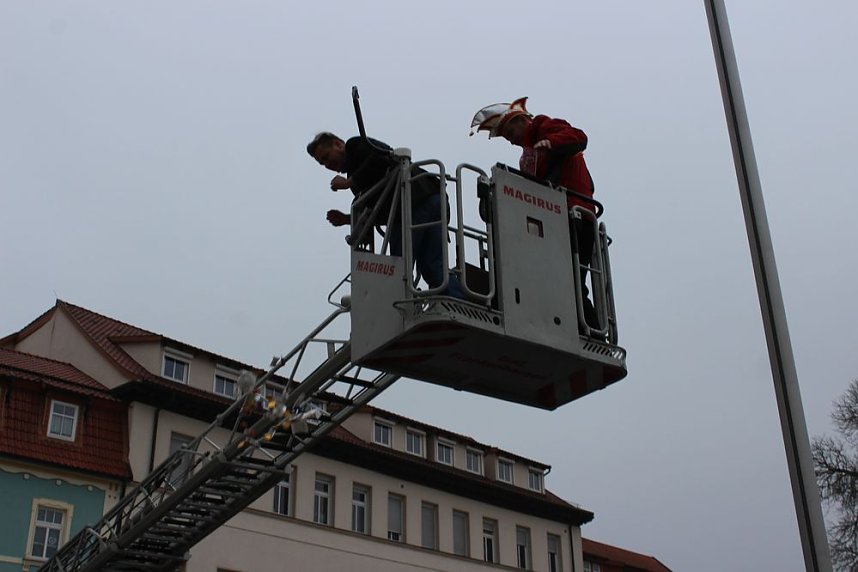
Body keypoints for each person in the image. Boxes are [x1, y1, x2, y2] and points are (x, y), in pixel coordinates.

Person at [470, 98, 601, 332]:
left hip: (574, 214)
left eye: (509, 132)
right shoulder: (528, 157)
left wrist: (551, 142)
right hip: (553, 221)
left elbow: (579, 137)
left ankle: (591, 332)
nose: (509, 140)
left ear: (521, 121)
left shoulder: (543, 126)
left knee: (573, 282)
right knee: (558, 280)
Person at [306, 132, 464, 298]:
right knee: (432, 266)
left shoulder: (355, 146)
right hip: (430, 197)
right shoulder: (357, 179)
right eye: (322, 163)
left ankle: (401, 310)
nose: (327, 164)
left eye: (326, 157)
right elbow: (376, 210)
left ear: (338, 144)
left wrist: (348, 182)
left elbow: (380, 158)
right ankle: (458, 302)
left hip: (413, 202)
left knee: (397, 267)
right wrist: (347, 219)